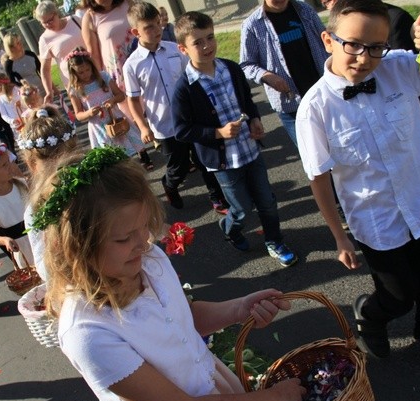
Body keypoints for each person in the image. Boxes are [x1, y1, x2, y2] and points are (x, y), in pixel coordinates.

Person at [31, 147, 305, 401]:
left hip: (214, 399)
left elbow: (179, 320)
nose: (141, 242)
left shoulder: (148, 260)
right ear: (76, 248)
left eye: (143, 227)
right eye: (124, 238)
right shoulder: (88, 332)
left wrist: (238, 309)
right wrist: (276, 399)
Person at [295, 0, 420, 377]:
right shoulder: (316, 108)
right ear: (328, 40)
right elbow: (319, 178)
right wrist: (339, 237)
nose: (365, 57)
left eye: (376, 47)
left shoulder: (399, 69)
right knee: (399, 294)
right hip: (377, 218)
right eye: (353, 44)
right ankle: (370, 314)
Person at [172, 12, 298, 268]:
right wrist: (217, 133)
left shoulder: (230, 68)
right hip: (223, 162)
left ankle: (275, 241)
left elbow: (246, 101)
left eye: (210, 37)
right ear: (183, 48)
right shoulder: (184, 87)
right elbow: (182, 130)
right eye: (197, 42)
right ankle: (230, 227)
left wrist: (253, 119)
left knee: (267, 201)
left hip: (249, 150)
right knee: (241, 208)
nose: (207, 46)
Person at [124, 2, 228, 212]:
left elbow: (193, 78)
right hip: (165, 125)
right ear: (136, 32)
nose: (157, 30)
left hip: (192, 118)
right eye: (149, 27)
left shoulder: (175, 50)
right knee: (178, 166)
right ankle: (170, 184)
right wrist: (143, 127)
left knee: (203, 159)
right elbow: (133, 100)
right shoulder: (132, 65)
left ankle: (216, 197)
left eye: (158, 24)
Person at [240, 0, 329, 147]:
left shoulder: (304, 9)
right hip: (292, 106)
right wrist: (267, 76)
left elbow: (326, 41)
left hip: (323, 95)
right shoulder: (252, 25)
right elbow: (246, 65)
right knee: (314, 159)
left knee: (340, 151)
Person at [18, 106, 82, 280]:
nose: (60, 170)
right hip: (74, 281)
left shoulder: (94, 183)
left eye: (66, 160)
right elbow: (45, 268)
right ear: (32, 165)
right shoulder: (36, 210)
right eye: (51, 165)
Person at [66, 47, 142, 156]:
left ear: (92, 67)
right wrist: (88, 113)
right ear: (74, 73)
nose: (86, 74)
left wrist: (113, 101)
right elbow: (78, 115)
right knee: (111, 151)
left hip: (115, 117)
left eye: (88, 70)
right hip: (98, 125)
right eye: (81, 72)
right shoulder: (75, 89)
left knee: (129, 139)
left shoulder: (103, 77)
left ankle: (144, 157)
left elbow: (121, 95)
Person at [80, 0, 136, 120]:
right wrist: (99, 80)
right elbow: (93, 54)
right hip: (120, 77)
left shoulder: (128, 4)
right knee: (133, 117)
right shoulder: (90, 17)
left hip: (142, 64)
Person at [34, 0, 85, 104]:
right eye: (44, 23)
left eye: (50, 20)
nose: (48, 24)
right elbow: (45, 69)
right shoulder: (44, 39)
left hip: (93, 71)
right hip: (73, 82)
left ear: (56, 13)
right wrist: (49, 91)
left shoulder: (75, 20)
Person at [2, 32, 46, 97]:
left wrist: (52, 87)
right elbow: (12, 82)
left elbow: (43, 72)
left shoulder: (30, 54)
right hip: (28, 94)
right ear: (11, 47)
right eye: (17, 43)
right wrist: (24, 86)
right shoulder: (9, 64)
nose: (21, 44)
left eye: (20, 41)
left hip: (43, 88)